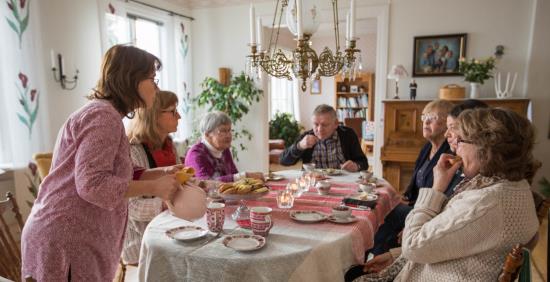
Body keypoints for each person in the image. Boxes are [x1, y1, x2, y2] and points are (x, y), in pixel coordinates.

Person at [21, 45, 181, 281]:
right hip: (67, 238)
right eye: (151, 79)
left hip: (71, 235)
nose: (156, 87)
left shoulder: (104, 115)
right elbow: (93, 184)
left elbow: (114, 173)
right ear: (131, 80)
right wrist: (154, 188)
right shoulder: (103, 117)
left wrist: (158, 173)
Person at [353, 107, 540, 281]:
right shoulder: (515, 187)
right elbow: (449, 239)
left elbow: (414, 247)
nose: (455, 148)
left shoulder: (485, 202)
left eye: (460, 141)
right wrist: (395, 256)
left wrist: (436, 189)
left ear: (487, 148)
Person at [368, 100, 454, 258]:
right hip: (416, 206)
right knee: (381, 205)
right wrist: (406, 197)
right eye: (424, 117)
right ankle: (375, 254)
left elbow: (443, 199)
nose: (425, 122)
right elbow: (416, 180)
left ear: (448, 123)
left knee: (389, 214)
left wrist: (414, 222)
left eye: (432, 117)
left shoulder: (449, 155)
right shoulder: (427, 147)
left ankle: (375, 257)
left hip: (430, 213)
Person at [122, 90, 182, 265]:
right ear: (154, 116)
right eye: (173, 111)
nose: (179, 116)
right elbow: (132, 208)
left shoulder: (169, 145)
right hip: (141, 240)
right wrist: (167, 203)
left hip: (169, 228)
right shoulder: (133, 149)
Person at [280, 104, 368, 172]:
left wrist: (356, 166)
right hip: (313, 182)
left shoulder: (348, 134)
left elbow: (363, 163)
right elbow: (283, 161)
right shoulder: (306, 136)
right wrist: (299, 146)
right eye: (316, 124)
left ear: (336, 124)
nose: (319, 129)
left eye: (324, 125)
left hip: (343, 180)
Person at [185, 111, 263, 182]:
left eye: (229, 130)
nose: (228, 135)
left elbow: (235, 176)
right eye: (223, 131)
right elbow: (206, 183)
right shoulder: (195, 154)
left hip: (226, 197)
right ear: (207, 134)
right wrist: (245, 175)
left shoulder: (224, 149)